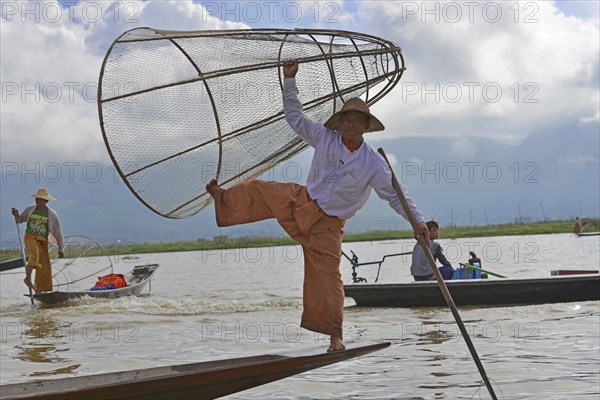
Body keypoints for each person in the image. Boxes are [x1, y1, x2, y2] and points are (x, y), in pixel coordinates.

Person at [205, 59, 428, 352]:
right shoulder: (325, 137)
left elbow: (396, 196)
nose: (350, 124)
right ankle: (222, 198)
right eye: (346, 119)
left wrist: (418, 222)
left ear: (365, 127)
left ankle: (335, 335)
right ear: (341, 123)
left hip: (327, 226)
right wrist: (289, 80)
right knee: (260, 189)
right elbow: (295, 117)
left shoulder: (373, 162)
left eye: (356, 120)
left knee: (328, 280)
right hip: (301, 202)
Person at [12, 188, 65, 292]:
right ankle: (28, 278)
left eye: (39, 199)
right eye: (36, 198)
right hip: (30, 236)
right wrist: (15, 214)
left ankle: (42, 289)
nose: (37, 200)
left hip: (43, 240)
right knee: (34, 255)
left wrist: (60, 248)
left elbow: (58, 231)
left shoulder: (52, 214)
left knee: (45, 265)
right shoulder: (30, 209)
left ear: (45, 200)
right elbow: (19, 220)